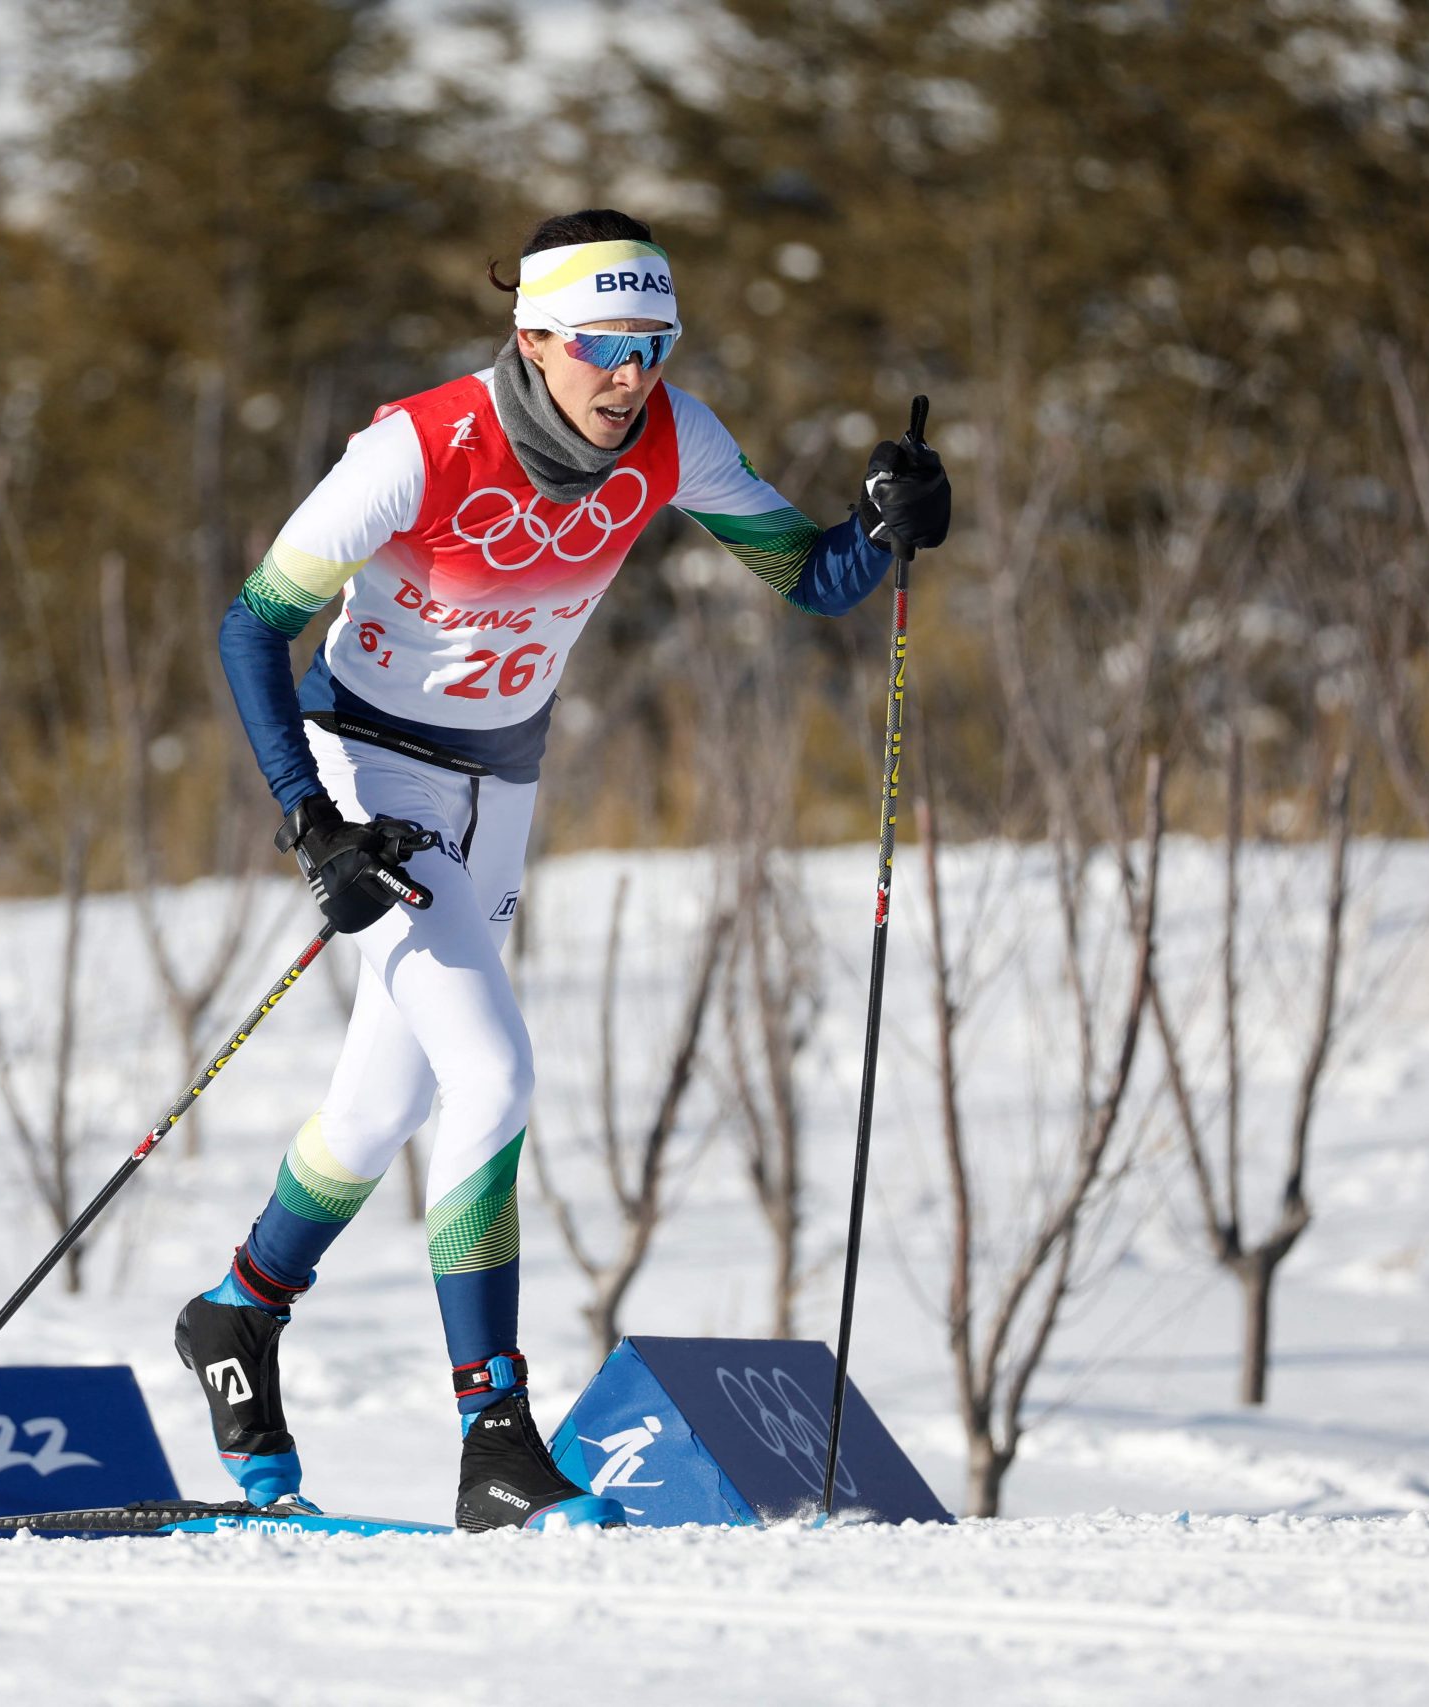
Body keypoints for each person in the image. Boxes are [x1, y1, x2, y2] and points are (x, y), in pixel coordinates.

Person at [178, 208, 951, 1531]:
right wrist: (314, 819)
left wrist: (890, 524)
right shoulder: (417, 446)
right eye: (600, 345)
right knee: (494, 1071)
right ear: (533, 336)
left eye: (653, 344)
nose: (628, 375)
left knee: (382, 1103)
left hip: (504, 789)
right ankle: (495, 1434)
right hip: (375, 768)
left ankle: (237, 1313)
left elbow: (817, 582)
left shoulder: (673, 439)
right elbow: (253, 625)